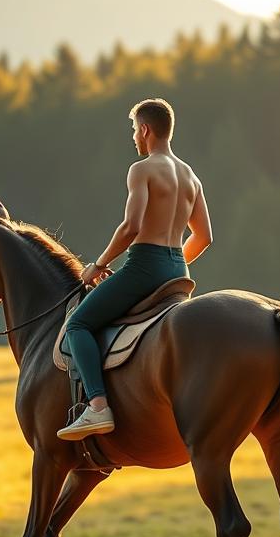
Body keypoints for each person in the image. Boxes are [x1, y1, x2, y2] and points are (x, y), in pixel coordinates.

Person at [57, 98, 213, 441]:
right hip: (178, 270)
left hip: (145, 265)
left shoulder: (141, 170)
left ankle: (98, 407)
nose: (133, 137)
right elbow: (204, 236)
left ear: (145, 129)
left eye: (133, 130)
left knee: (79, 323)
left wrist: (97, 265)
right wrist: (174, 262)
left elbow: (130, 227)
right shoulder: (191, 176)